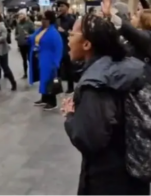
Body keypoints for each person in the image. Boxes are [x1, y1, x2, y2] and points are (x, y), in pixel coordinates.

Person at [63, 13, 150, 196]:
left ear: (87, 44)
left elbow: (90, 139)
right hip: (135, 170)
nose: (68, 40)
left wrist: (71, 117)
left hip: (107, 180)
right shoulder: (130, 65)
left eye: (72, 35)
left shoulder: (96, 83)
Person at [28, 10, 63, 110]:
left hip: (49, 60)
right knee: (43, 79)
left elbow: (58, 48)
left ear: (49, 20)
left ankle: (52, 102)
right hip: (41, 59)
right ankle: (44, 98)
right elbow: (34, 38)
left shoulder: (53, 33)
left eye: (44, 18)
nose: (42, 20)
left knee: (49, 80)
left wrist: (56, 62)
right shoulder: (42, 30)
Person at [57, 0, 76, 94]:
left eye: (62, 6)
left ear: (67, 8)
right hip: (58, 47)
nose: (60, 8)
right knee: (57, 68)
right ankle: (57, 87)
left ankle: (71, 87)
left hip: (68, 47)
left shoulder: (71, 20)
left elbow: (74, 34)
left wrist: (63, 31)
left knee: (69, 68)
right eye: (59, 6)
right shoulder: (57, 19)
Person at [14, 12, 35, 78]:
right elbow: (16, 32)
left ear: (25, 16)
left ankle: (32, 73)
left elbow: (34, 33)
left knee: (30, 58)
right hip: (21, 44)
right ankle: (25, 73)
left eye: (22, 16)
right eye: (19, 16)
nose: (20, 17)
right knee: (24, 59)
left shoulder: (30, 23)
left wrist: (29, 35)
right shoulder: (18, 24)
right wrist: (17, 37)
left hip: (28, 44)